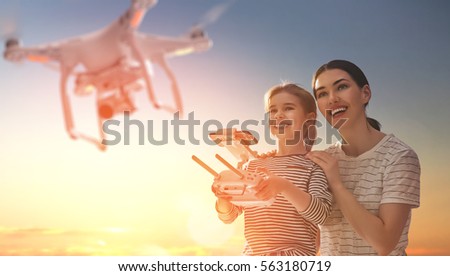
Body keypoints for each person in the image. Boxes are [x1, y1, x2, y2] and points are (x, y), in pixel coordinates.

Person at [306, 60, 421, 255]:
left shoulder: (399, 157)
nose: (332, 99)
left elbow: (384, 243)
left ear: (365, 93)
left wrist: (336, 184)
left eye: (341, 87)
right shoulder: (323, 159)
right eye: (322, 94)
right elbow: (310, 236)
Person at [213, 83, 332, 256]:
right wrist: (223, 199)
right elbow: (228, 216)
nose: (278, 115)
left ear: (309, 118)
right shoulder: (254, 166)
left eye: (288, 108)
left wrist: (284, 186)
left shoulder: (314, 167)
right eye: (273, 110)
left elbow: (321, 215)